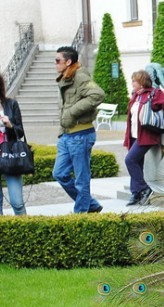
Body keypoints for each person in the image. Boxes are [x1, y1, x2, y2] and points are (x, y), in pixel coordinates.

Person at [53, 45, 105, 214]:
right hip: (67, 135)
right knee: (59, 173)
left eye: (58, 60)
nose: (55, 64)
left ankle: (81, 214)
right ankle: (91, 204)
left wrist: (73, 111)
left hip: (81, 134)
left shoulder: (80, 76)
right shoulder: (66, 77)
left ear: (68, 62)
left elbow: (98, 94)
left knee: (82, 179)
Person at [124, 70, 164, 206]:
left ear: (141, 82)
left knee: (130, 160)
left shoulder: (154, 93)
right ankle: (136, 194)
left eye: (134, 81)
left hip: (146, 135)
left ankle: (144, 188)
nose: (132, 83)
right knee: (137, 162)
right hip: (134, 135)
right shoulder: (135, 96)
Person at [0, 74, 27, 215]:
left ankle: (26, 235)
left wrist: (10, 125)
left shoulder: (11, 104)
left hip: (11, 155)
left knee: (17, 203)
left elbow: (20, 131)